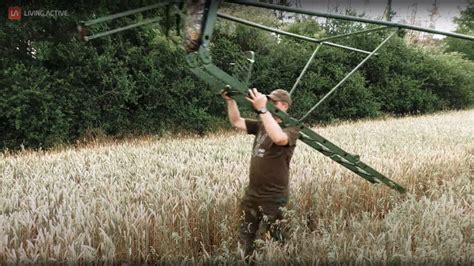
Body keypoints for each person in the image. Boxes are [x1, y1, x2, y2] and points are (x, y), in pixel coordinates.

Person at [221, 88, 300, 260]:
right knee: (245, 236)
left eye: (273, 102)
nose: (268, 104)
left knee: (278, 239)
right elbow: (236, 121)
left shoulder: (291, 128)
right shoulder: (262, 125)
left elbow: (279, 138)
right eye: (268, 101)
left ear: (284, 106)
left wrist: (263, 110)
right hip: (253, 194)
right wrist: (230, 101)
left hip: (273, 196)